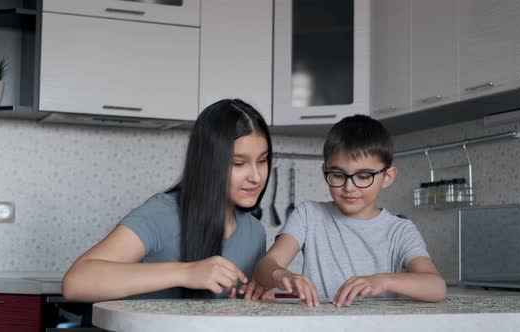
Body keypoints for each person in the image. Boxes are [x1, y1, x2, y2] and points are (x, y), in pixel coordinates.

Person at [63, 99, 274, 302]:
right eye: (238, 163)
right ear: (209, 164)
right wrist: (187, 273)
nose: (255, 176)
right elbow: (76, 282)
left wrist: (254, 300)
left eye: (262, 160)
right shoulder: (162, 214)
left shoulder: (255, 233)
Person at [252, 114, 447, 307]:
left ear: (387, 177)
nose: (349, 187)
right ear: (325, 171)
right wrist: (284, 276)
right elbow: (264, 267)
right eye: (338, 175)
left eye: (363, 176)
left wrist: (384, 280)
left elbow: (436, 286)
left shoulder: (400, 230)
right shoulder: (309, 215)